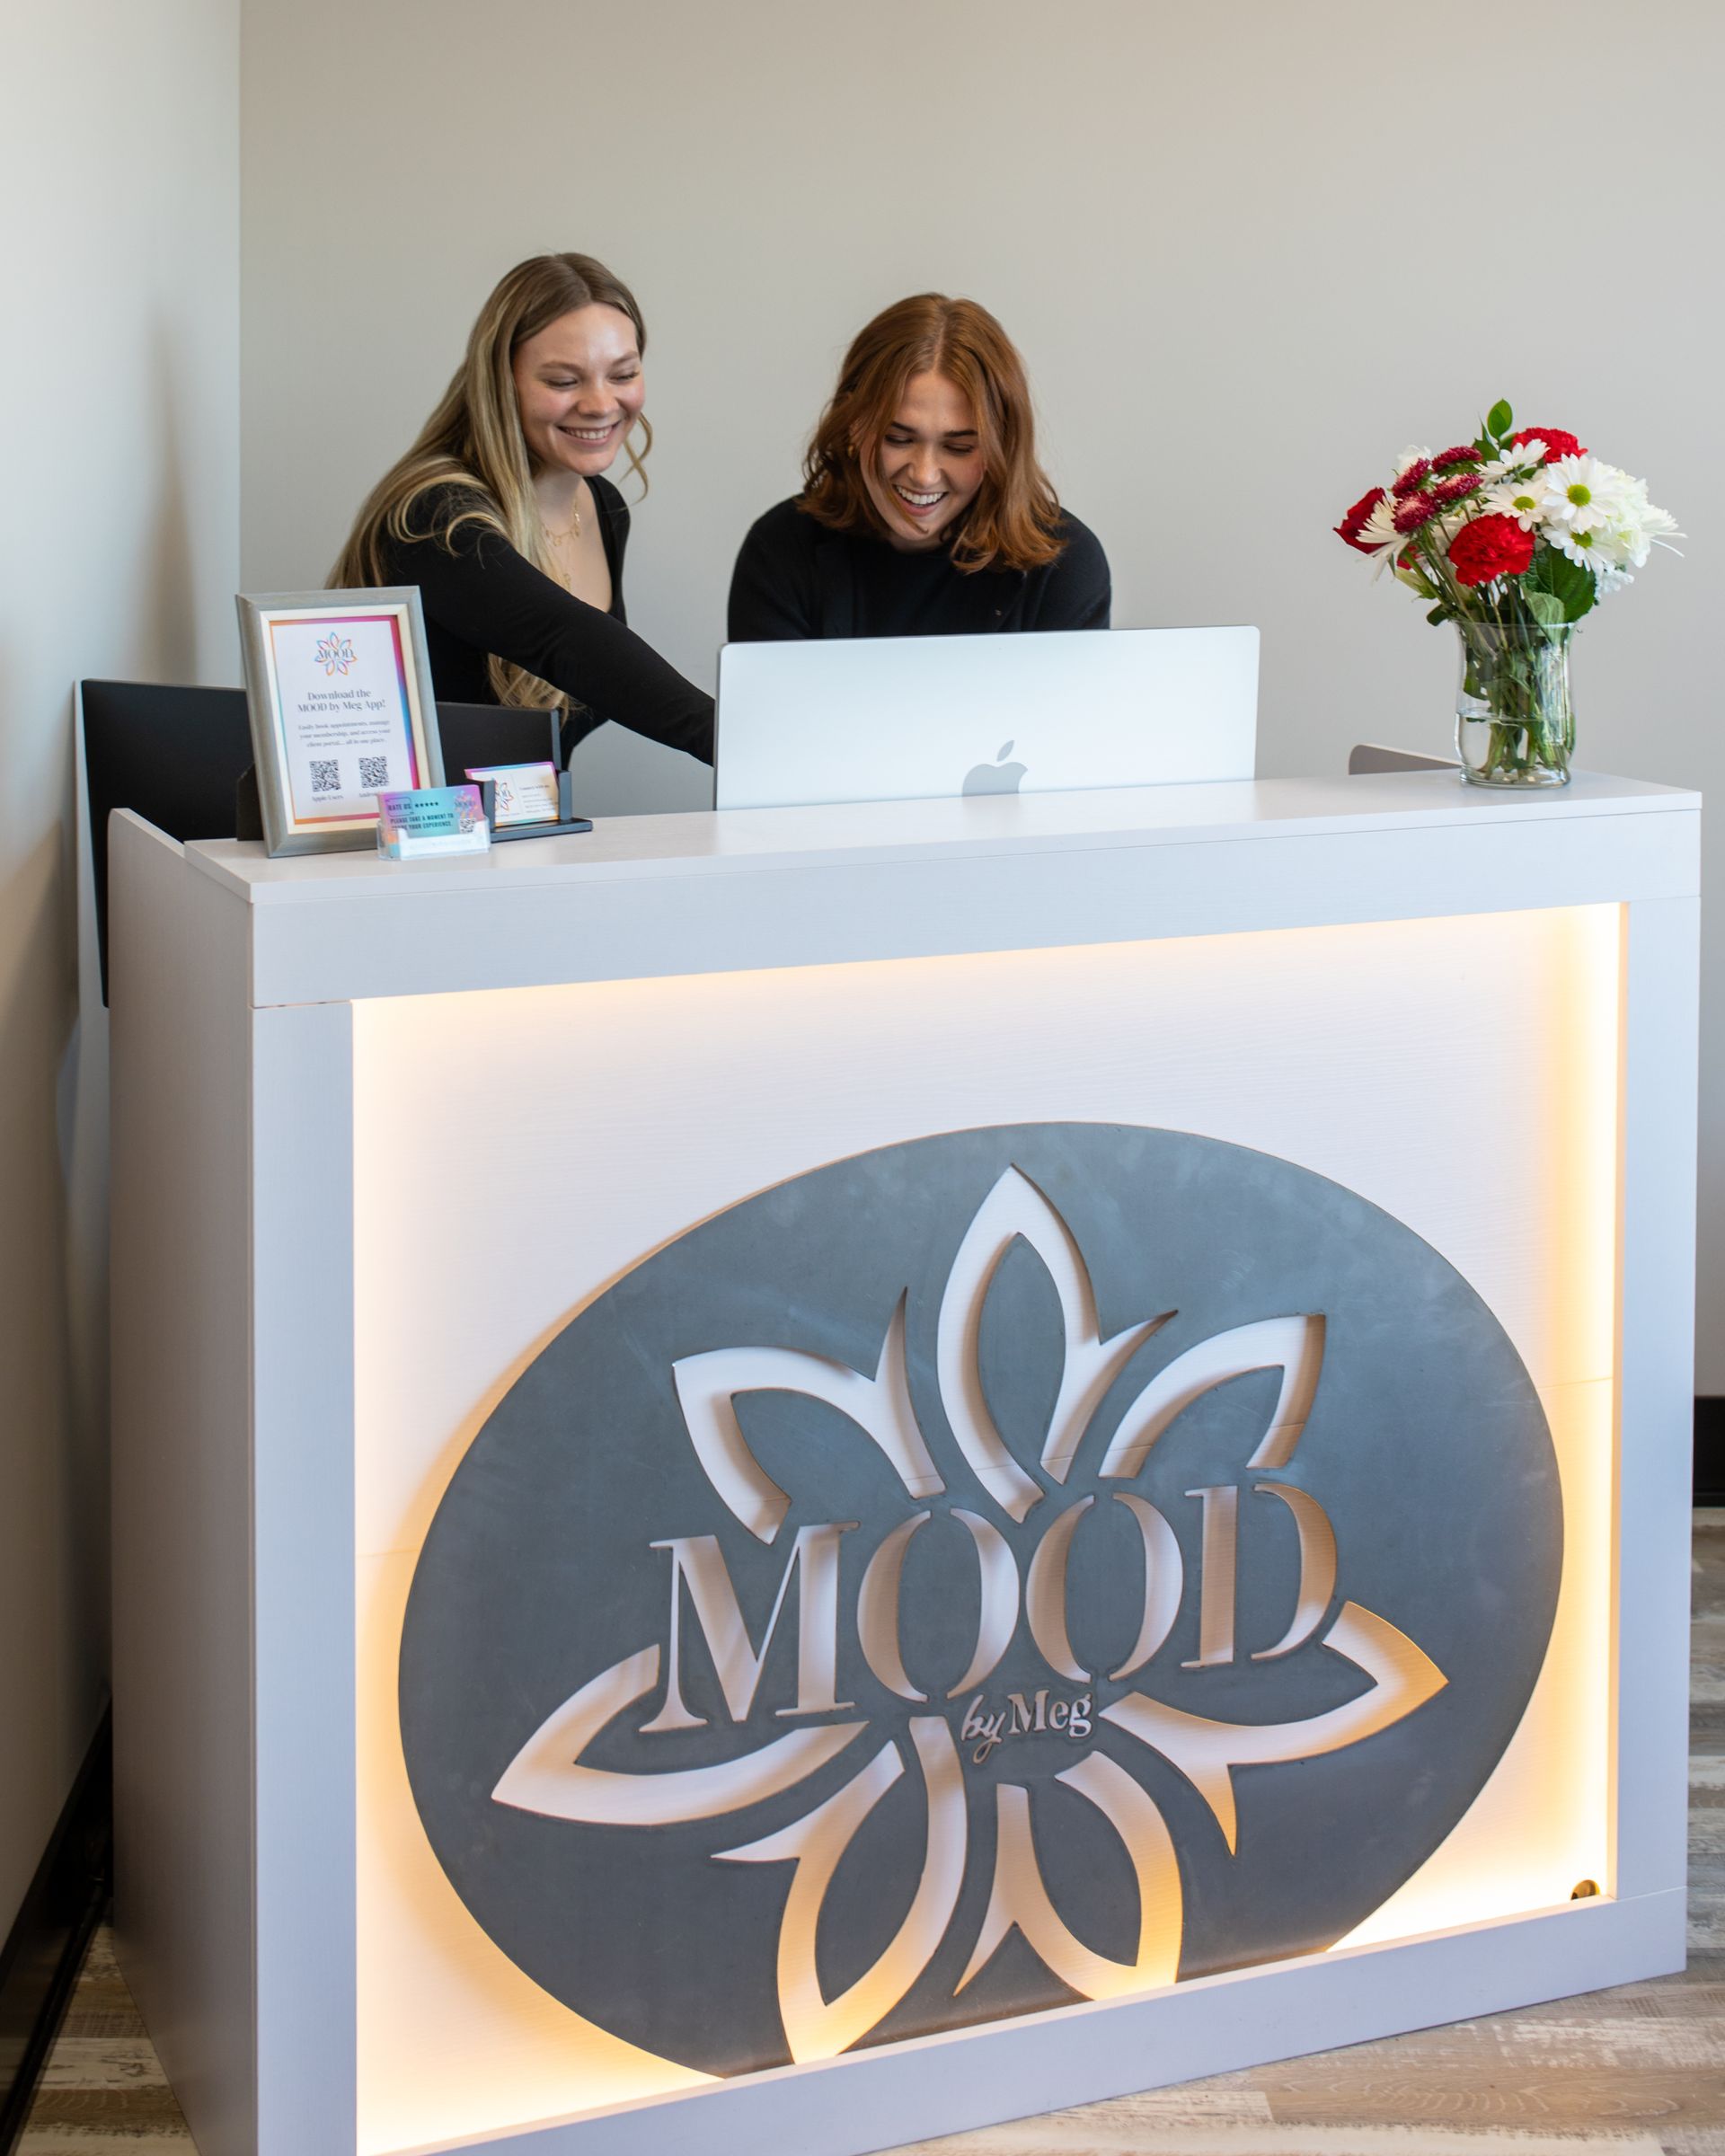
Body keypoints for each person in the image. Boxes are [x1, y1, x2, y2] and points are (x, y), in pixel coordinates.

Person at [332, 252, 712, 764]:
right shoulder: (437, 518)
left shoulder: (603, 507)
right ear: (501, 383)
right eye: (563, 381)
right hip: (411, 817)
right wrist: (739, 742)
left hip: (529, 816)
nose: (601, 404)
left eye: (623, 375)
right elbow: (568, 642)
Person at [729, 294, 1110, 643]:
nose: (924, 475)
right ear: (853, 425)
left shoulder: (1063, 567)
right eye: (897, 439)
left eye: (959, 447)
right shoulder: (781, 550)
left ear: (1004, 448)